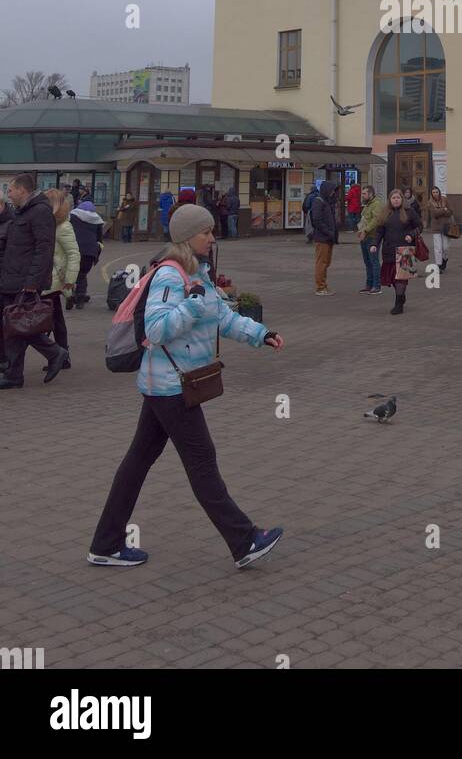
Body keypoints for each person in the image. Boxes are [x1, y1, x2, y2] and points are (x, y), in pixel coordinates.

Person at [87, 204, 285, 569]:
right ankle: (244, 540)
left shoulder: (198, 273)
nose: (212, 237)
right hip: (170, 388)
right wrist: (192, 305)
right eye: (205, 232)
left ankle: (106, 543)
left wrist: (261, 334)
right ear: (187, 236)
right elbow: (157, 330)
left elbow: (221, 316)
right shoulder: (170, 275)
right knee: (203, 464)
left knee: (137, 462)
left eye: (211, 231)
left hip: (166, 385)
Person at [0, 174, 67, 389]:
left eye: (10, 190)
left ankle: (55, 352)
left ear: (22, 190)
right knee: (13, 326)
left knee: (20, 325)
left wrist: (33, 281)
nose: (8, 194)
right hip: (11, 278)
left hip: (24, 280)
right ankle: (13, 375)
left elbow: (44, 249)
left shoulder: (39, 212)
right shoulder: (24, 212)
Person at [41, 188, 80, 370]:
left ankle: (57, 354)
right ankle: (60, 355)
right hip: (53, 279)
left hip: (56, 280)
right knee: (55, 320)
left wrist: (69, 280)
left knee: (43, 320)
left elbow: (73, 254)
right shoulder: (52, 224)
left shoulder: (63, 227)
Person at [372, 189, 421, 315]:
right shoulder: (385, 213)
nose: (396, 200)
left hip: (405, 249)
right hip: (389, 249)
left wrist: (411, 235)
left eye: (398, 198)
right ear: (390, 200)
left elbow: (419, 226)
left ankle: (398, 303)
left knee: (402, 278)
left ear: (402, 199)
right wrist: (374, 244)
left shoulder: (409, 212)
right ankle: (401, 295)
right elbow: (379, 231)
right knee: (393, 277)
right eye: (393, 198)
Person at [69, 198, 104, 308]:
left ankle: (69, 296)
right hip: (89, 251)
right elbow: (99, 239)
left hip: (74, 249)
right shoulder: (97, 220)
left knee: (71, 273)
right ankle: (80, 299)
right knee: (82, 275)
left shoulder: (73, 217)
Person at [310, 181, 338, 295]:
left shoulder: (326, 202)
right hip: (322, 238)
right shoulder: (319, 201)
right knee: (321, 263)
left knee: (326, 262)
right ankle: (320, 287)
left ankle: (323, 285)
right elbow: (317, 220)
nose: (333, 193)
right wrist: (328, 231)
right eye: (332, 190)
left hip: (328, 238)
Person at [357, 185, 387, 293]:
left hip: (372, 238)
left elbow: (376, 220)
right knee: (367, 261)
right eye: (362, 194)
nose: (362, 196)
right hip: (364, 237)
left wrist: (365, 230)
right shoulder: (367, 205)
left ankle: (376, 286)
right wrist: (361, 230)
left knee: (374, 261)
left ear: (370, 194)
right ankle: (369, 285)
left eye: (364, 194)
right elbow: (364, 219)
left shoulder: (377, 204)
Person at [424, 186, 454, 272]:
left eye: (436, 192)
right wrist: (444, 210)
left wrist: (441, 211)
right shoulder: (430, 203)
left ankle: (445, 259)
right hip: (436, 228)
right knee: (438, 248)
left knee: (445, 247)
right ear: (431, 194)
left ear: (439, 192)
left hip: (446, 227)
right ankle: (439, 265)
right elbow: (434, 214)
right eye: (433, 192)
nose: (435, 194)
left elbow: (451, 211)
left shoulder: (445, 200)